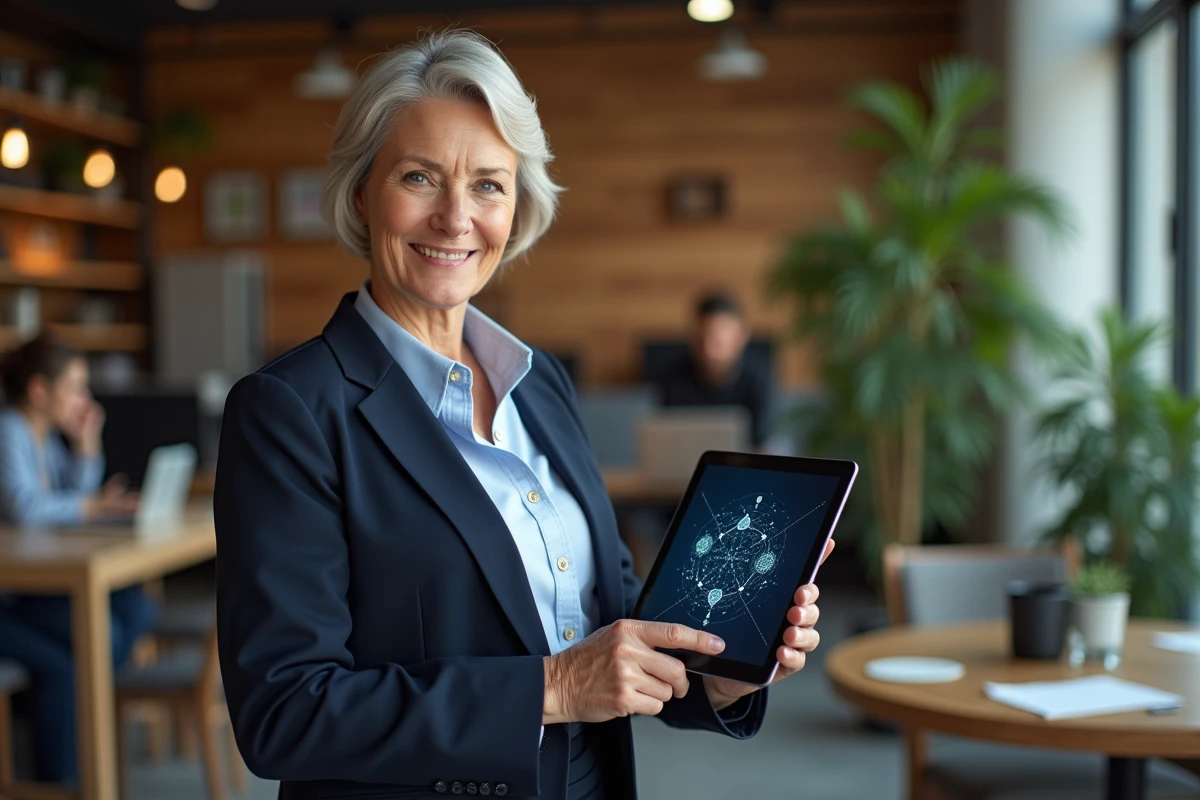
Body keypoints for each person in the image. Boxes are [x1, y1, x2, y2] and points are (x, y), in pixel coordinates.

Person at [215, 30, 831, 800]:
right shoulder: (290, 412)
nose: (454, 217)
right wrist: (552, 689)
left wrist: (726, 668)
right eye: (419, 177)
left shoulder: (539, 387)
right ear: (362, 191)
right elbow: (285, 713)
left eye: (488, 185)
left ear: (518, 205)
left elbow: (605, 610)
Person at [0, 335, 155, 784]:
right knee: (92, 640)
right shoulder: (9, 429)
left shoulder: (43, 437)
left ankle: (68, 773)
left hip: (35, 587)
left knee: (132, 607)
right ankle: (64, 779)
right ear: (38, 391)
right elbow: (27, 509)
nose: (84, 400)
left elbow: (76, 496)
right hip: (12, 594)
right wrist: (92, 507)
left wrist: (87, 445)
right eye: (75, 388)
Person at [657, 292, 773, 448]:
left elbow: (763, 442)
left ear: (741, 336)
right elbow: (667, 441)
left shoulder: (759, 380)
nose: (708, 350)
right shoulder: (673, 379)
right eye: (701, 339)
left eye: (718, 341)